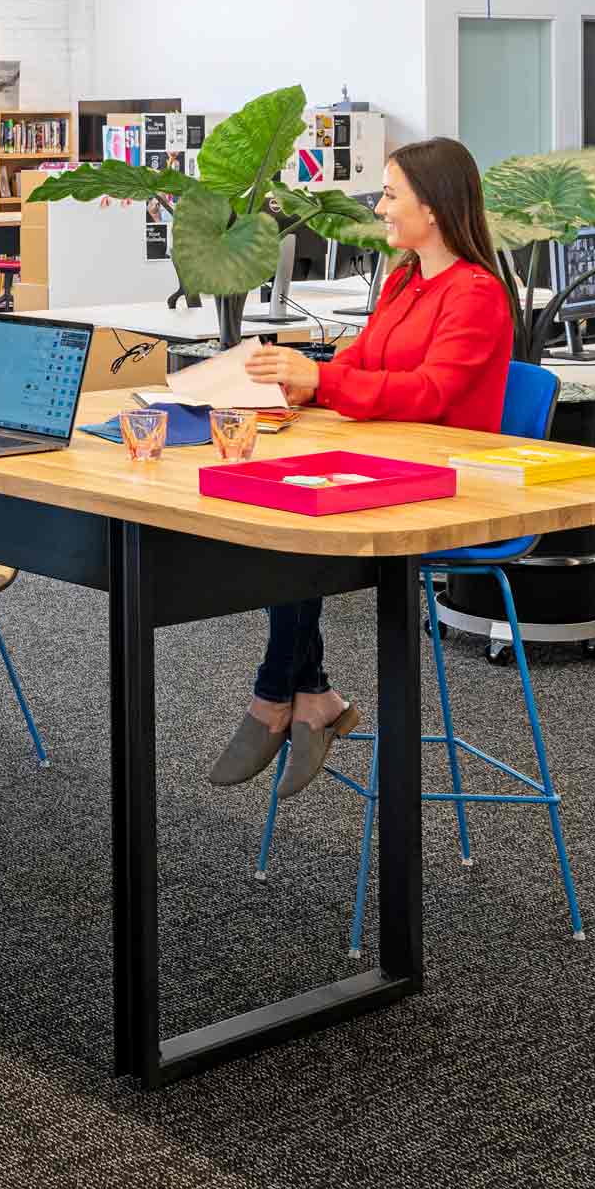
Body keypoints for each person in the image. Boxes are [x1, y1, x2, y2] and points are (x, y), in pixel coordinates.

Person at [208, 137, 514, 798]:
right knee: (282, 517)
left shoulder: (476, 294)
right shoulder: (405, 279)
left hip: (448, 485)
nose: (379, 206)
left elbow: (431, 394)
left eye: (390, 194)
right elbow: (365, 361)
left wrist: (323, 381)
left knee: (295, 530)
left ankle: (277, 697)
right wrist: (304, 382)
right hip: (386, 464)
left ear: (431, 208)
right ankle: (312, 694)